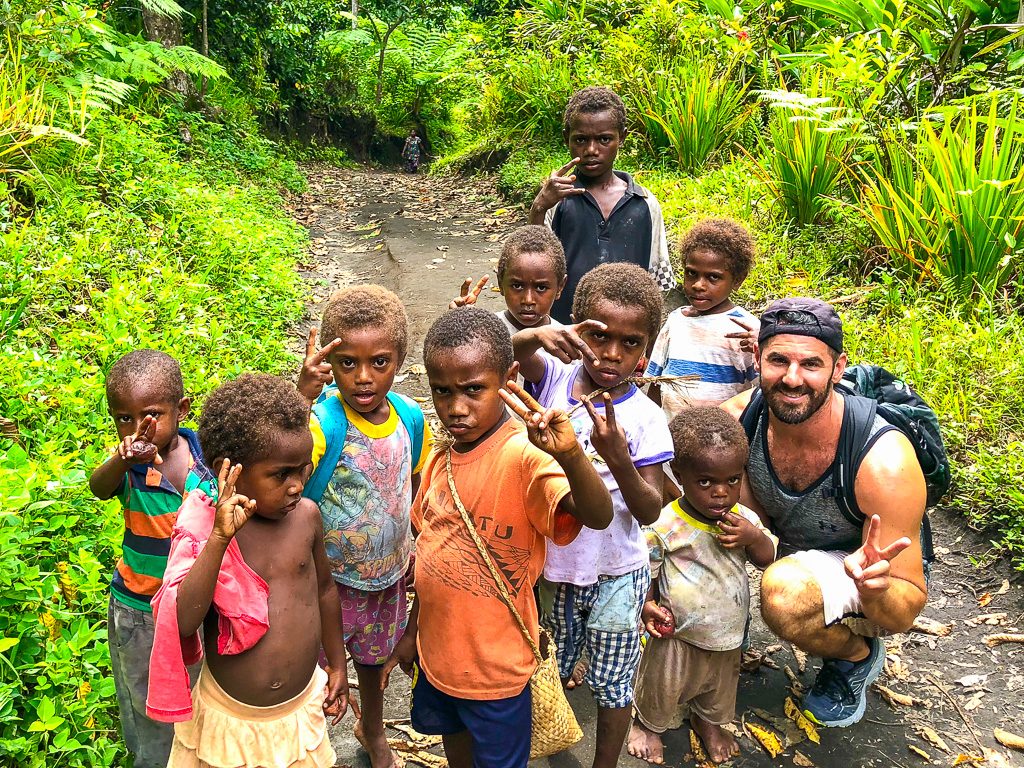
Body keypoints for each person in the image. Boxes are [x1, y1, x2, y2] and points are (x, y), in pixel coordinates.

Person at [381, 306, 613, 768]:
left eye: (472, 390)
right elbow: (432, 555)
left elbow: (598, 514)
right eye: (442, 391)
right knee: (453, 742)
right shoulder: (439, 462)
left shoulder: (526, 456)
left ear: (509, 379)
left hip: (498, 674)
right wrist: (411, 633)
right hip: (438, 660)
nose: (455, 407)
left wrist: (570, 456)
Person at [720, 298, 927, 728]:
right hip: (784, 541)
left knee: (784, 595)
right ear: (757, 358)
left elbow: (906, 610)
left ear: (838, 368)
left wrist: (875, 589)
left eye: (811, 364)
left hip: (857, 562)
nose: (792, 379)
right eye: (778, 360)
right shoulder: (738, 421)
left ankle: (856, 656)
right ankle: (719, 630)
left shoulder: (884, 461)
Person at [512, 263, 674, 768]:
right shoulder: (555, 377)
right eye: (599, 337)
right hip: (555, 566)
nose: (611, 354)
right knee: (551, 662)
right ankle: (546, 740)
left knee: (613, 681)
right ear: (576, 329)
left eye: (630, 343)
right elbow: (510, 356)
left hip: (616, 573)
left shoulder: (646, 419)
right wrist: (539, 332)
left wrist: (621, 459)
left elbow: (650, 508)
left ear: (644, 353)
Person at [151, 374, 349, 767]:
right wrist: (220, 540)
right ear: (231, 471)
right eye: (281, 474)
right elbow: (184, 621)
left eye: (303, 470)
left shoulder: (307, 519)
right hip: (231, 722)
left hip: (298, 712)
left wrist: (338, 663)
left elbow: (324, 591)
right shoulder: (205, 533)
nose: (296, 486)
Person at [295, 285, 432, 768]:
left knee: (374, 666)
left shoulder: (410, 418)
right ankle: (307, 745)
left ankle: (372, 728)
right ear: (329, 364)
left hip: (386, 580)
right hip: (323, 584)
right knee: (311, 675)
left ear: (400, 359)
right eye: (347, 363)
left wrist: (417, 549)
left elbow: (412, 487)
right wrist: (300, 398)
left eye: (380, 361)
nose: (364, 377)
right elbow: (288, 465)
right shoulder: (322, 422)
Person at [626, 407, 777, 765]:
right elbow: (646, 568)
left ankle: (708, 722)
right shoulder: (666, 524)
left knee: (719, 688)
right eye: (706, 482)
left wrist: (753, 537)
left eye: (733, 480)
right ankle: (649, 725)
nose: (721, 493)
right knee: (663, 686)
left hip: (727, 631)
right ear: (679, 475)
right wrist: (647, 604)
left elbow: (767, 558)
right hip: (677, 631)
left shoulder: (745, 520)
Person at [88, 349, 212, 768]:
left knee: (200, 700)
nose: (138, 426)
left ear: (182, 409)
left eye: (152, 414)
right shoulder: (129, 468)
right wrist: (122, 461)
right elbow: (98, 488)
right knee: (148, 709)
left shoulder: (207, 460)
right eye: (123, 417)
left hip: (199, 611)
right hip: (141, 610)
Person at [528, 86, 675, 323]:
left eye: (604, 139)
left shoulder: (645, 204)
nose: (591, 150)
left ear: (622, 137)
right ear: (567, 138)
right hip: (564, 332)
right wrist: (538, 208)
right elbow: (535, 267)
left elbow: (656, 282)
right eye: (581, 140)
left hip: (624, 335)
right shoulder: (556, 200)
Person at [646, 218, 760, 419]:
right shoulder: (676, 321)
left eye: (713, 277)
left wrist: (763, 347)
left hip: (722, 438)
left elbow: (757, 391)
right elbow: (655, 380)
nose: (698, 285)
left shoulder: (746, 328)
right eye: (691, 273)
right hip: (672, 432)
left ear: (737, 280)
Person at [450, 225, 567, 335]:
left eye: (541, 287)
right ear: (500, 283)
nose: (528, 300)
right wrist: (461, 327)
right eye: (517, 286)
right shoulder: (484, 332)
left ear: (560, 287)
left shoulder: (567, 341)